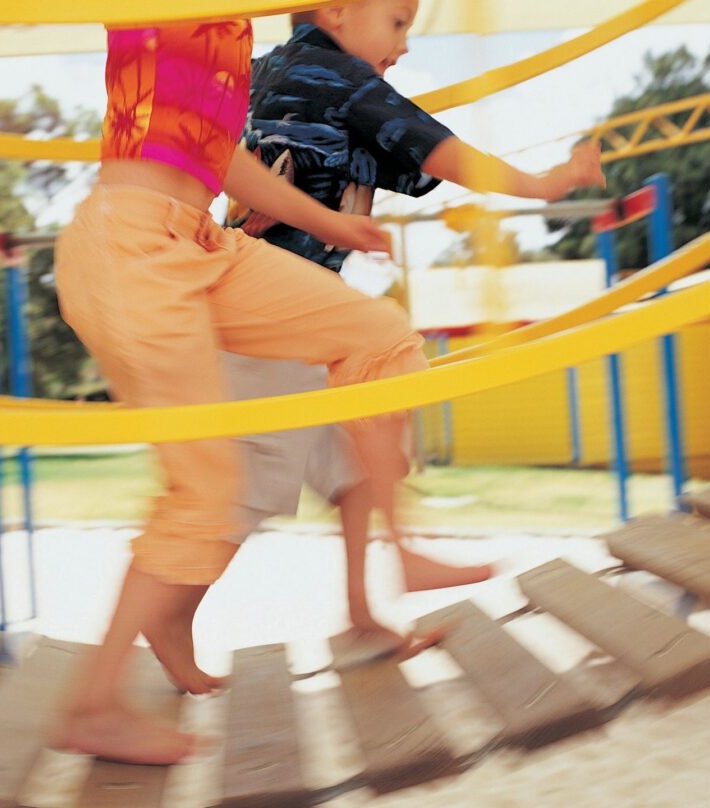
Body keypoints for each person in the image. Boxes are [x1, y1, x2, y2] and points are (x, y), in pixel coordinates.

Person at [51, 18, 433, 764]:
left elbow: (217, 155)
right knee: (208, 489)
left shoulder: (232, 35)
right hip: (131, 247)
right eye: (395, 20)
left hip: (203, 243)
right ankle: (93, 704)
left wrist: (329, 222)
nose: (403, 35)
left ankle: (400, 545)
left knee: (380, 337)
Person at [216, 0, 607, 663]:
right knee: (229, 503)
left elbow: (399, 156)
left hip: (274, 314)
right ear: (338, 12)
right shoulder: (341, 79)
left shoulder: (267, 74)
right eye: (397, 23)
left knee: (361, 470)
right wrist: (548, 184)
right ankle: (164, 618)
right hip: (267, 322)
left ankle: (368, 608)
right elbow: (442, 153)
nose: (403, 45)